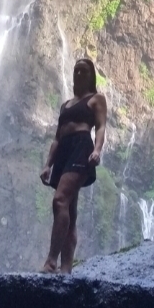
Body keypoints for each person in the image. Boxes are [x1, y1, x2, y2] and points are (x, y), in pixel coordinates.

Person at [40, 55, 107, 273]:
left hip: (81, 148)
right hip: (64, 150)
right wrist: (48, 165)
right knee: (69, 209)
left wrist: (97, 150)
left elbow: (101, 127)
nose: (78, 74)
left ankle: (51, 261)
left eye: (83, 71)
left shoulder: (96, 99)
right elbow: (57, 138)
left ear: (91, 76)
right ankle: (66, 267)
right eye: (76, 70)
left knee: (59, 201)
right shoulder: (65, 105)